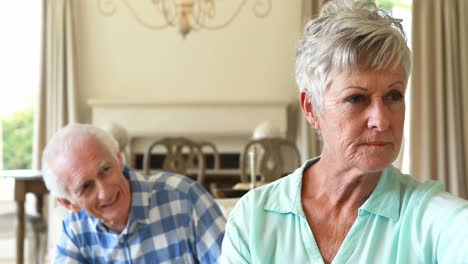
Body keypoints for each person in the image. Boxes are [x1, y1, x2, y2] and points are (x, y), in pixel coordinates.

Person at [221, 0, 468, 263]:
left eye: (393, 95)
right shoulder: (255, 218)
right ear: (311, 108)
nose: (381, 120)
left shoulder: (431, 219)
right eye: (356, 99)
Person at [42, 123, 225, 263]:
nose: (105, 193)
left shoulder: (185, 197)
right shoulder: (75, 229)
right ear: (68, 204)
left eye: (105, 170)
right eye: (86, 187)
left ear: (120, 160)